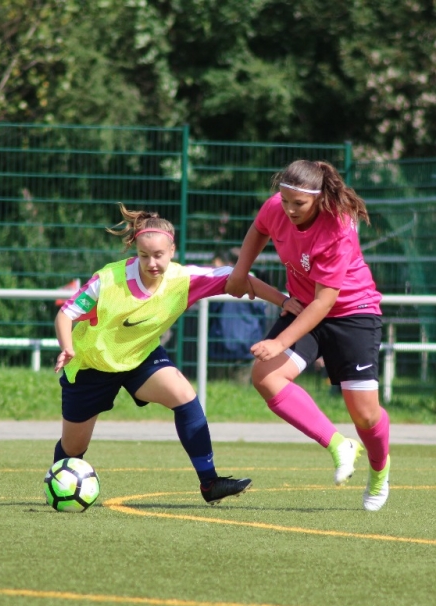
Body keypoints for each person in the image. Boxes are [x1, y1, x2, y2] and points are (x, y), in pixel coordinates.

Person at [53, 204, 297, 505]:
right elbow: (66, 314)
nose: (151, 263)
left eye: (158, 255)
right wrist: (68, 346)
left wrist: (283, 301)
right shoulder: (108, 280)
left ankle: (210, 483)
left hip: (141, 357)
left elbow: (240, 278)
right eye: (144, 256)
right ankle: (59, 484)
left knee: (184, 395)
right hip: (92, 365)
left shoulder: (185, 279)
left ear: (172, 250)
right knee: (73, 449)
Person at [224, 160, 391, 511]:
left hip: (351, 313)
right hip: (304, 307)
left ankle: (379, 471)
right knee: (266, 377)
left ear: (318, 198)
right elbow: (259, 229)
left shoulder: (338, 226)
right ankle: (340, 445)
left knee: (365, 416)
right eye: (285, 200)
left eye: (298, 203)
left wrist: (279, 342)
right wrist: (241, 271)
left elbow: (325, 302)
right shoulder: (277, 207)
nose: (288, 209)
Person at [208, 249, 267, 382]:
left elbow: (211, 313)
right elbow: (262, 316)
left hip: (221, 345)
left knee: (218, 384)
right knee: (240, 386)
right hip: (247, 344)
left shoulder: (220, 283)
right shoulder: (256, 284)